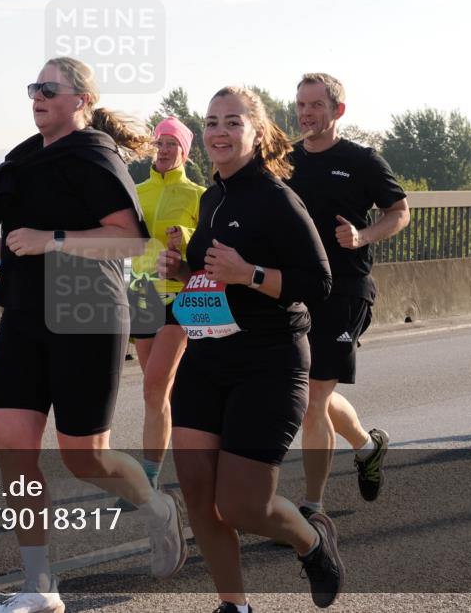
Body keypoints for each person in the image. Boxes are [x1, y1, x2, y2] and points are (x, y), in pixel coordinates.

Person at [0, 56, 187, 613]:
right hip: (24, 312)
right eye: (34, 88)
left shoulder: (95, 157)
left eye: (49, 89)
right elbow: (26, 234)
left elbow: (130, 240)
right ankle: (39, 587)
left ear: (81, 100)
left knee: (84, 458)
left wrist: (52, 240)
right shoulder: (24, 160)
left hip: (88, 314)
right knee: (13, 448)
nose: (37, 97)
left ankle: (157, 507)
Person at [161, 86, 343, 612]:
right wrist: (185, 270)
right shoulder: (211, 198)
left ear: (257, 132)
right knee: (198, 493)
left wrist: (250, 273)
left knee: (242, 505)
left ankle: (312, 540)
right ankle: (234, 606)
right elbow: (216, 276)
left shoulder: (276, 198)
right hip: (208, 356)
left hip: (269, 362)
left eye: (232, 122)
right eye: (211, 122)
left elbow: (319, 283)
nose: (219, 132)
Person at [286, 72, 410, 519]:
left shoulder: (362, 160)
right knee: (308, 393)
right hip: (295, 291)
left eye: (315, 105)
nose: (305, 114)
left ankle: (312, 507)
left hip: (346, 290)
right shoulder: (284, 160)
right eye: (301, 105)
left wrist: (362, 236)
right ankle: (366, 446)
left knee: (313, 398)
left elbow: (399, 212)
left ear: (337, 110)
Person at [116, 116, 204, 507]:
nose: (164, 150)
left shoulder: (198, 195)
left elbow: (209, 242)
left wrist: (185, 236)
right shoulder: (136, 192)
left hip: (180, 296)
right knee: (156, 395)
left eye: (172, 144)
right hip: (142, 293)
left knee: (155, 385)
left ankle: (147, 481)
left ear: (185, 152)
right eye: (159, 143)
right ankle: (154, 477)